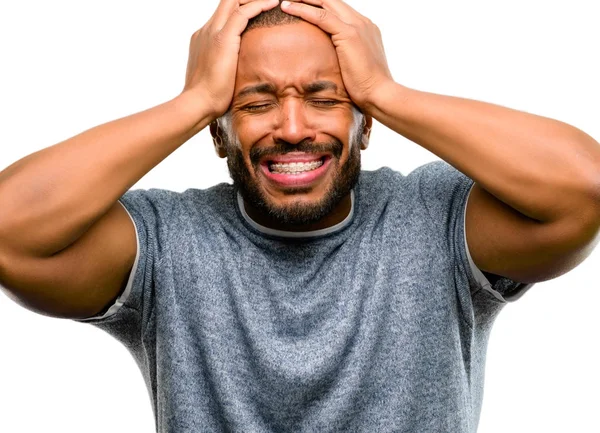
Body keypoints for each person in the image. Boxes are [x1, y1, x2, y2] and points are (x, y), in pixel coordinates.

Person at [0, 0, 599, 431]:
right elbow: (11, 233)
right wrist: (194, 100)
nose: (291, 129)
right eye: (255, 103)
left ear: (366, 124)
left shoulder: (435, 218)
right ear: (216, 133)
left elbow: (583, 190)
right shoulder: (166, 242)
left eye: (325, 99)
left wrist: (387, 93)